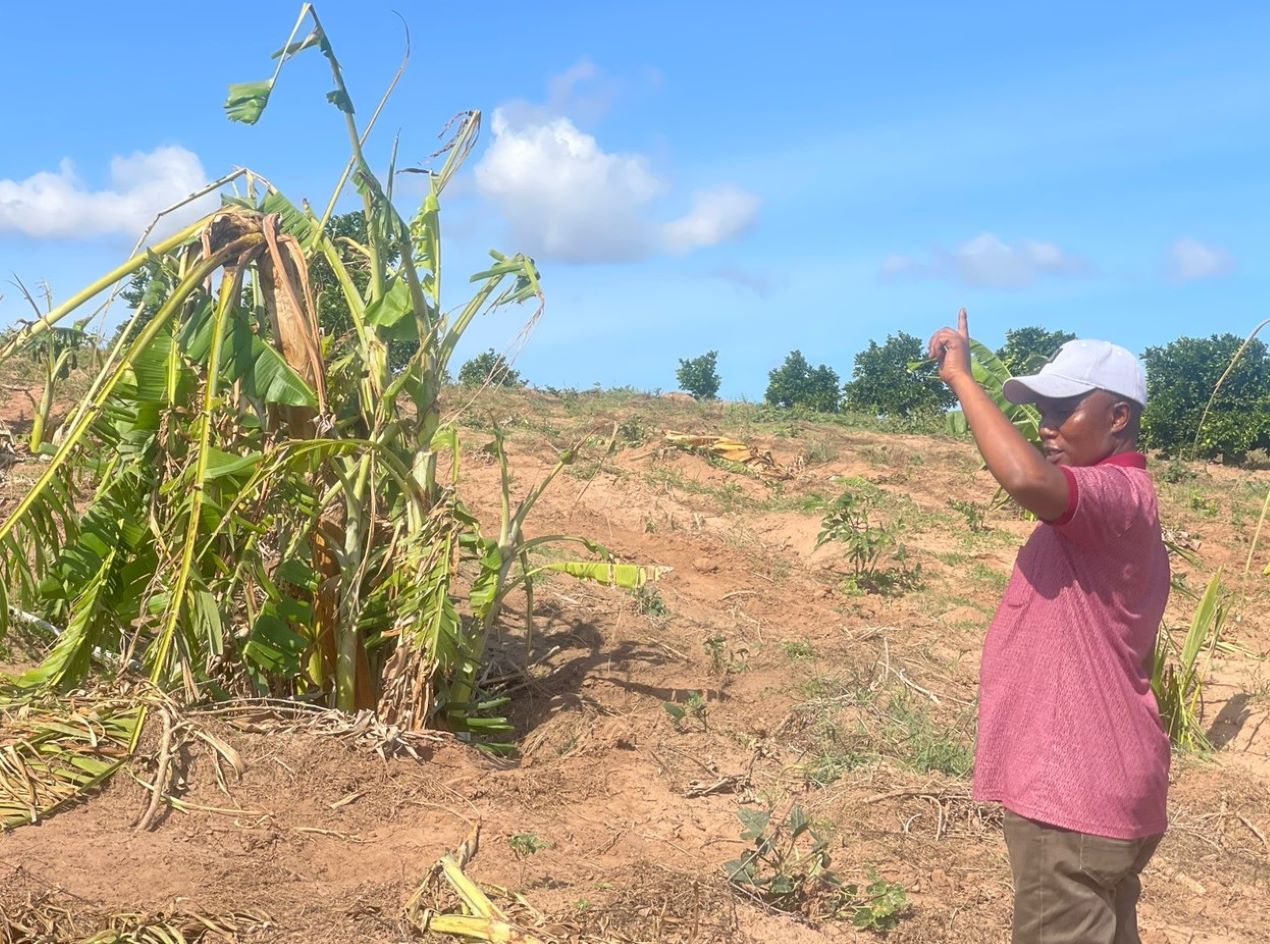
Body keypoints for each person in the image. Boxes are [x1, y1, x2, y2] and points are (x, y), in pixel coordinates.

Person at [928, 310, 1170, 944]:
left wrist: (961, 378)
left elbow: (1023, 477)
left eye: (1065, 406)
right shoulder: (1113, 507)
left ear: (1119, 416)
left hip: (1072, 791)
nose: (1047, 423)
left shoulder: (1116, 494)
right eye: (1042, 408)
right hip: (1103, 788)